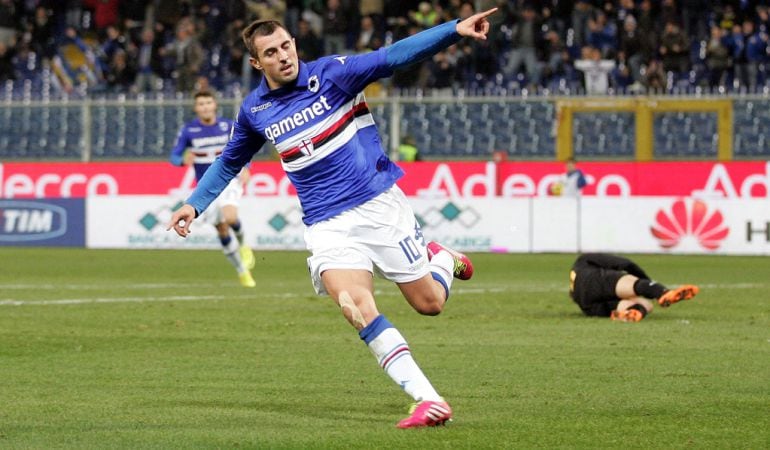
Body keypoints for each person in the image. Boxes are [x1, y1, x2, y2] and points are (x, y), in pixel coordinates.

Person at [167, 9, 498, 428]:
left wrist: (453, 31)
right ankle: (428, 399)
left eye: (286, 45)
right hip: (326, 223)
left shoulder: (334, 75)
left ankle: (443, 259)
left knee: (429, 304)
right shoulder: (255, 111)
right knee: (354, 306)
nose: (284, 56)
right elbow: (230, 161)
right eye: (271, 52)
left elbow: (393, 55)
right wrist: (193, 204)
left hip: (377, 205)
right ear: (257, 63)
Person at [169, 90, 256, 288]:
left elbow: (244, 146)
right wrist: (182, 160)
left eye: (208, 102)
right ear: (195, 108)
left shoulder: (227, 126)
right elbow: (173, 157)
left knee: (231, 216)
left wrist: (247, 168)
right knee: (222, 229)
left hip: (229, 179)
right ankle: (242, 271)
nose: (205, 107)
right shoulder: (189, 131)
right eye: (201, 104)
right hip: (207, 188)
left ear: (215, 105)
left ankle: (243, 245)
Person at [569, 253, 700, 322]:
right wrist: (647, 284)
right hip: (589, 280)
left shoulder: (576, 272)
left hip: (585, 304)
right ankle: (663, 293)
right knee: (629, 281)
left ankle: (631, 312)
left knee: (645, 304)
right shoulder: (584, 259)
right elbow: (626, 264)